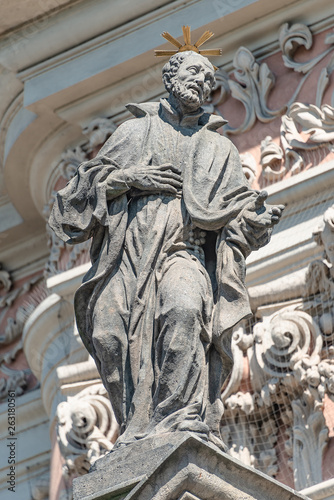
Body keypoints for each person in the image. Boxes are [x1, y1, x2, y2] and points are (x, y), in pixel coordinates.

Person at [49, 50, 284, 449]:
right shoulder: (132, 134)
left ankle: (178, 420)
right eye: (194, 71)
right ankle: (135, 429)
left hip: (183, 252)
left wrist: (254, 221)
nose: (202, 82)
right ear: (171, 75)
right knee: (108, 335)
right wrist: (127, 179)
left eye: (209, 79)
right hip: (126, 258)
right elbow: (72, 207)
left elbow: (234, 215)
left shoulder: (218, 149)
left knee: (185, 311)